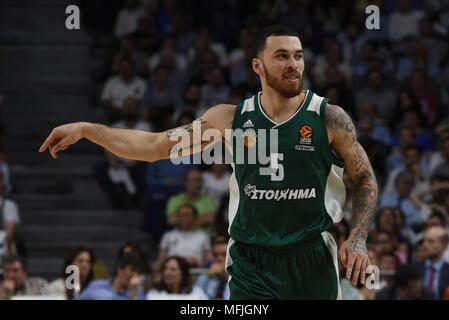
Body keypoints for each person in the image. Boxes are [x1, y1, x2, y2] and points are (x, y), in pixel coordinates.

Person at [39, 25, 378, 299]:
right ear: (258, 66)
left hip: (311, 256)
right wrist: (88, 130)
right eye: (282, 56)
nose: (293, 65)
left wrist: (359, 237)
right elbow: (155, 145)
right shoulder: (230, 119)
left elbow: (364, 179)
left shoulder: (328, 117)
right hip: (252, 261)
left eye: (299, 56)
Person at [152, 204, 211, 271]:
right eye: (180, 215)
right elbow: (161, 260)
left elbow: (206, 260)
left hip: (195, 273)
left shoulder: (203, 236)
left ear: (195, 217)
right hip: (172, 273)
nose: (182, 218)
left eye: (186, 215)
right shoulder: (168, 235)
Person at [76, 252, 145, 300]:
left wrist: (133, 293)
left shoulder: (137, 292)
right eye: (132, 269)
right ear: (120, 269)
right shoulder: (97, 285)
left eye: (138, 272)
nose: (134, 274)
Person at [413, 226, 449, 299]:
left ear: (444, 246)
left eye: (431, 241)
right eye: (424, 241)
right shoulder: (414, 269)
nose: (425, 245)